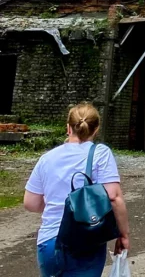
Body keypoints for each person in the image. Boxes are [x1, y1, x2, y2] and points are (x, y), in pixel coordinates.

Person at [23, 103, 130, 277]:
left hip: (49, 242)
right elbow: (114, 197)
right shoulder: (101, 153)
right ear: (96, 130)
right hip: (84, 242)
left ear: (68, 128)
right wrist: (123, 234)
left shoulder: (46, 159)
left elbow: (30, 203)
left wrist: (59, 205)